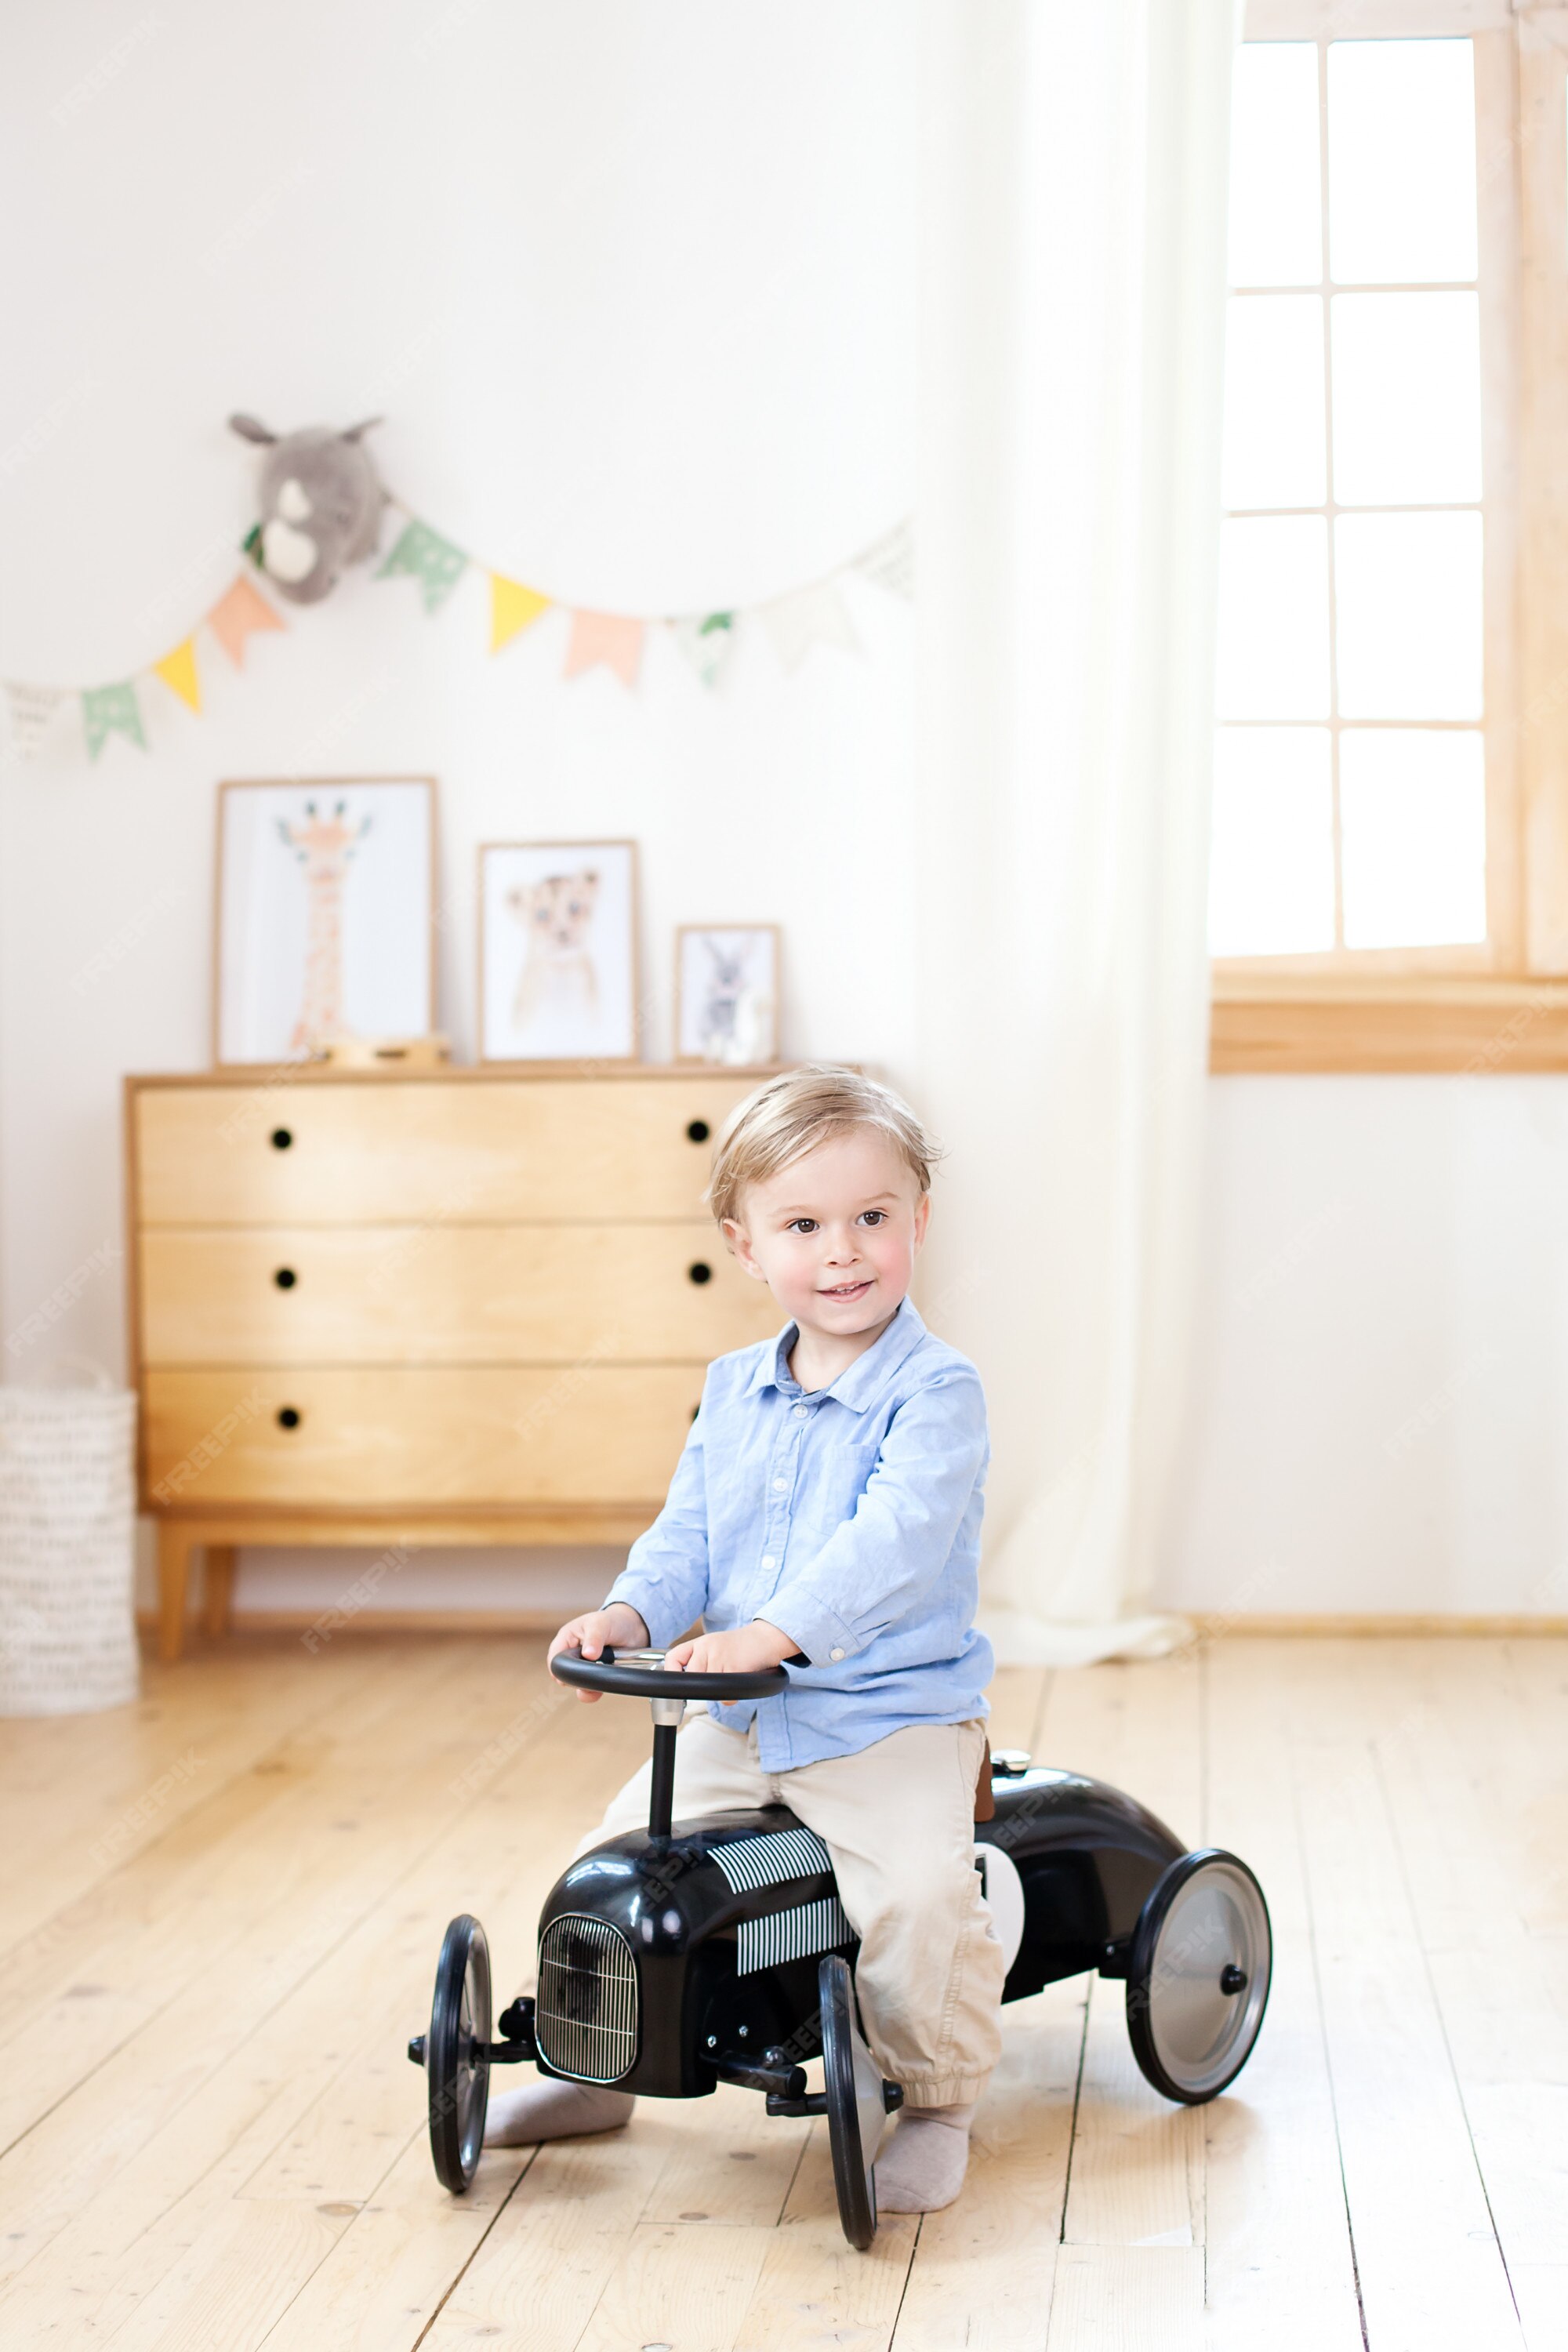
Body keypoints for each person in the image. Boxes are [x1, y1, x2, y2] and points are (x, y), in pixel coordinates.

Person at [485, 1063, 1004, 2213]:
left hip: (888, 1721)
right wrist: (631, 1613)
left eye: (874, 1218)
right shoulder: (731, 1391)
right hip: (743, 1718)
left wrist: (772, 1630)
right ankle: (593, 2060)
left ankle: (941, 2097)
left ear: (918, 1221)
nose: (844, 1252)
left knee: (916, 1894)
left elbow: (893, 1547)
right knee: (604, 1870)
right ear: (747, 1243)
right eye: (805, 1225)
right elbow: (687, 1537)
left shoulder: (936, 1392)